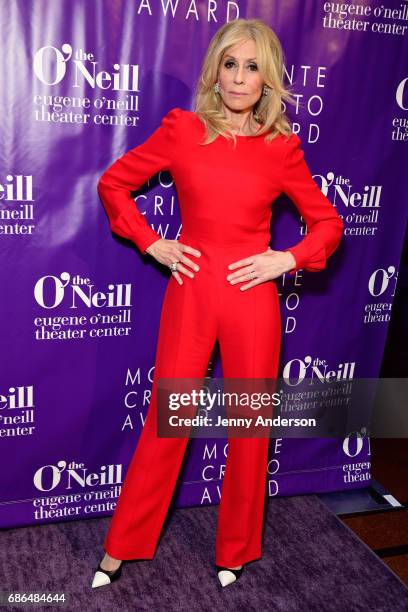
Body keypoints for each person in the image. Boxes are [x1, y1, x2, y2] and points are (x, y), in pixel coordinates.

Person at [92, 18, 344, 589]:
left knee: (250, 428)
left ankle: (234, 550)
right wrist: (153, 242)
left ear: (268, 79)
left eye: (251, 66)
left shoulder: (281, 147)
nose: (238, 77)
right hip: (193, 290)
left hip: (253, 299)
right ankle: (123, 544)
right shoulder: (183, 131)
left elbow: (328, 223)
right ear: (215, 70)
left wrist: (287, 259)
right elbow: (114, 184)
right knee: (169, 419)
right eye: (230, 64)